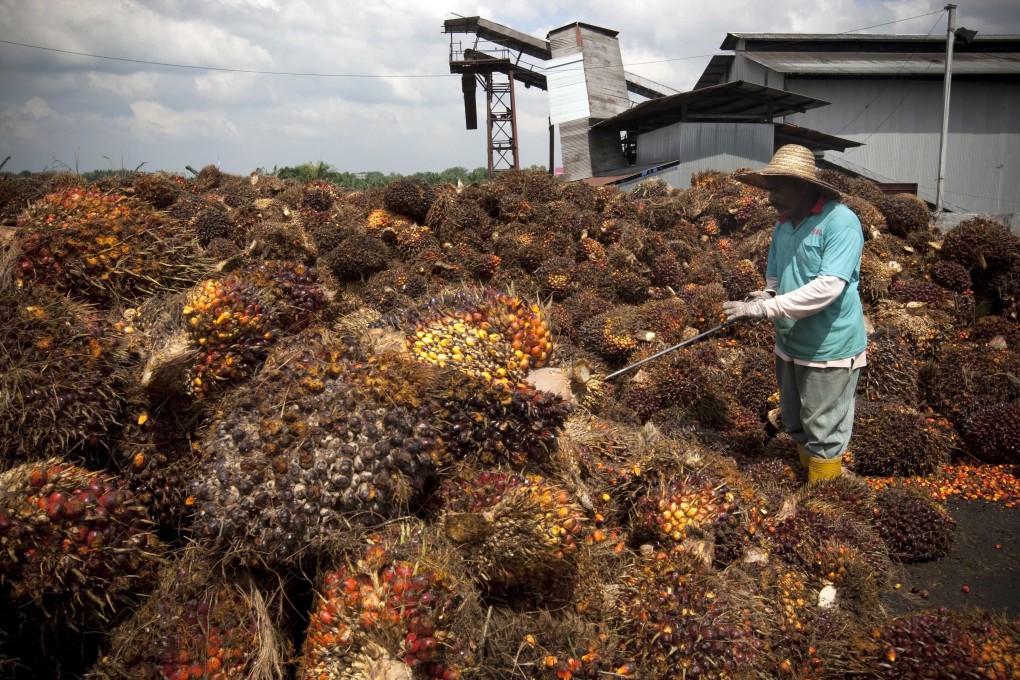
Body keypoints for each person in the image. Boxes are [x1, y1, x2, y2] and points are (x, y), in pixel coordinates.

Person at [722, 145, 866, 483]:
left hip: (828, 347)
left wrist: (765, 308)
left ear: (804, 185)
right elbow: (776, 278)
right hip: (789, 343)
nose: (770, 197)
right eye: (769, 188)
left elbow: (828, 287)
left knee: (823, 428)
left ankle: (826, 502)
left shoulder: (840, 222)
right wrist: (764, 295)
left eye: (778, 187)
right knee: (795, 420)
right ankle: (808, 478)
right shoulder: (783, 225)